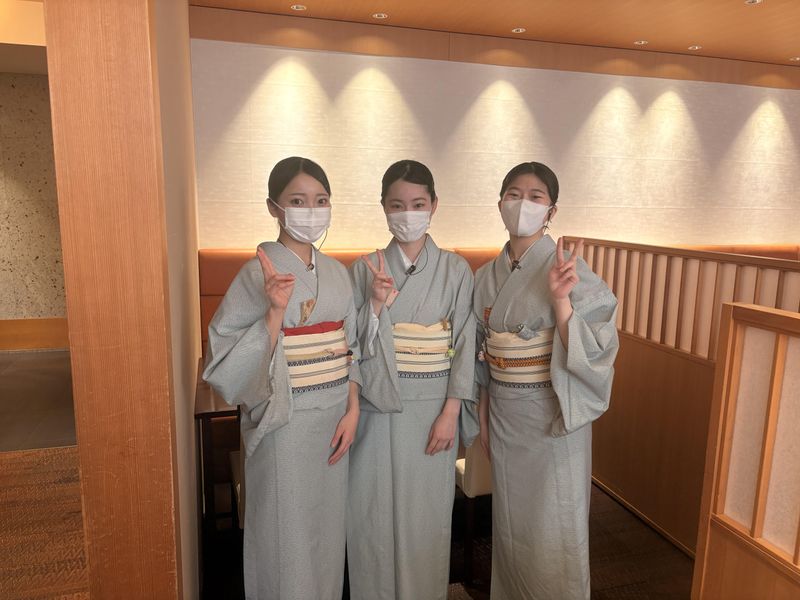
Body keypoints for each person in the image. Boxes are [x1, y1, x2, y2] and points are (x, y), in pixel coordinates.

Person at [203, 157, 362, 600]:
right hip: (283, 423)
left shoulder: (337, 273)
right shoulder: (255, 274)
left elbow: (353, 347)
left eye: (320, 200)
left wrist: (352, 409)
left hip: (335, 423)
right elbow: (224, 363)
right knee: (284, 536)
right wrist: (274, 312)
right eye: (298, 201)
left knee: (326, 535)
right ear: (274, 207)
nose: (311, 210)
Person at [474, 161, 619, 599]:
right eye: (514, 194)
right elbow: (481, 352)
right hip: (505, 416)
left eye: (535, 197)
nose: (523, 204)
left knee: (556, 528)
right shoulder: (485, 276)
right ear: (500, 203)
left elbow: (600, 347)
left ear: (551, 211)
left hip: (553, 414)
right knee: (512, 529)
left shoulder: (572, 269)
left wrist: (560, 302)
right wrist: (483, 415)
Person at [347, 160, 477, 600]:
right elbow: (350, 347)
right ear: (384, 207)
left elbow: (463, 343)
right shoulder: (365, 268)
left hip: (432, 409)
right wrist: (375, 306)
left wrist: (451, 412)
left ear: (434, 205)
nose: (408, 214)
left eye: (418, 204)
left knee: (426, 518)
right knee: (372, 514)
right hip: (376, 407)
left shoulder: (456, 270)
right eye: (397, 205)